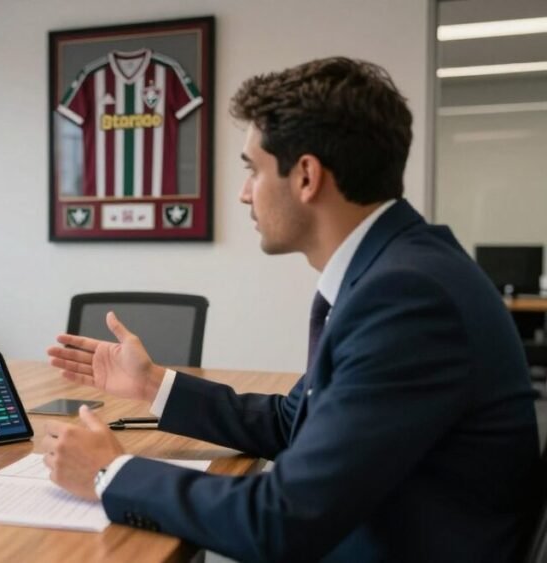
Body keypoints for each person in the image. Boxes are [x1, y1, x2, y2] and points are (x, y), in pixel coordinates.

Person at [43, 57, 541, 561]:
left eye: (252, 170)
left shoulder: (408, 297)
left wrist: (111, 474)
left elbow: (285, 520)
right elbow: (295, 418)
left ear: (306, 176)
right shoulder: (397, 269)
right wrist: (151, 384)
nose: (242, 194)